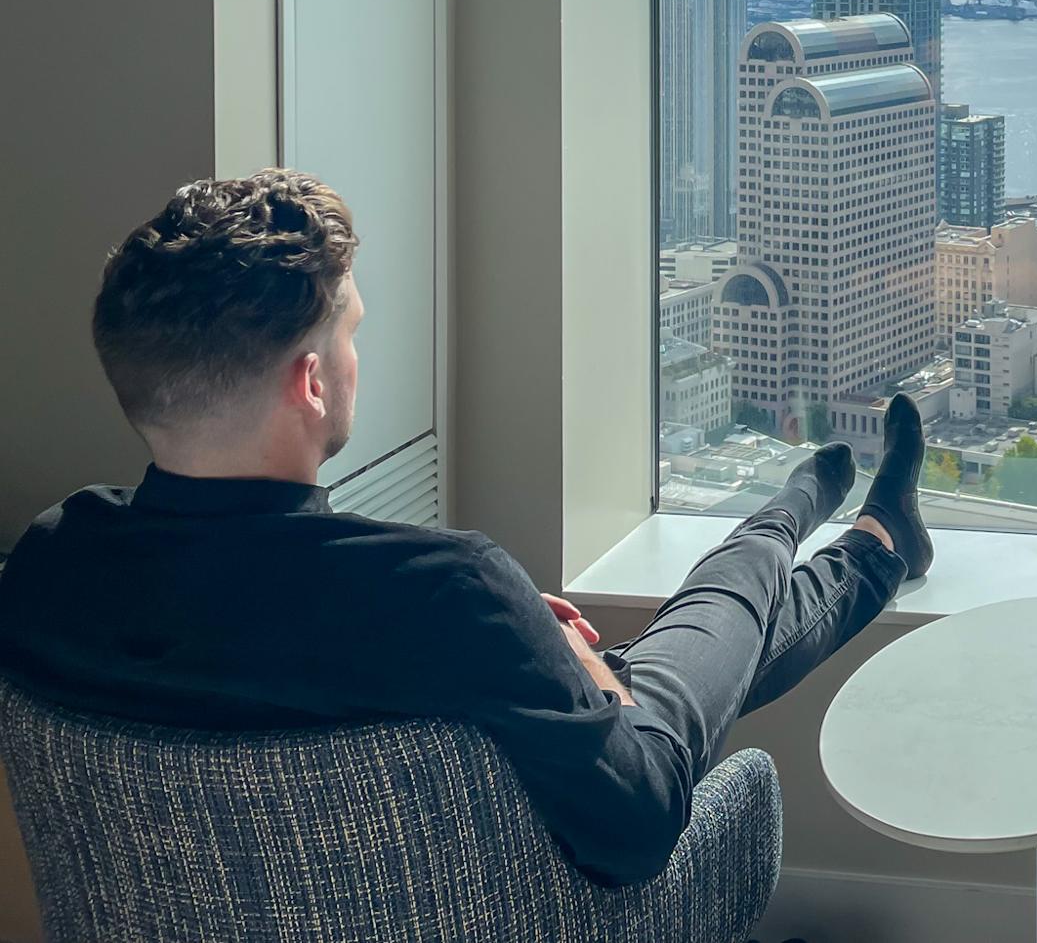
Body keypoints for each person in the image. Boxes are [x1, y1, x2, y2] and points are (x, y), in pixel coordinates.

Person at [0, 169, 935, 885]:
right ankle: (793, 521)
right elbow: (641, 824)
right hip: (536, 900)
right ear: (313, 381)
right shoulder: (450, 591)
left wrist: (520, 639)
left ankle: (872, 537)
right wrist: (582, 671)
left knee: (692, 642)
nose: (356, 356)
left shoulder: (48, 560)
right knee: (723, 608)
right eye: (351, 332)